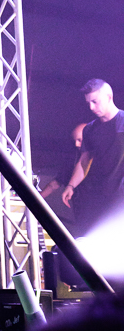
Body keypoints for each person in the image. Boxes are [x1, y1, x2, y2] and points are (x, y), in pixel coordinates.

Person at [62, 79, 124, 235]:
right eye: (88, 103)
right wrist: (71, 186)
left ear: (109, 97)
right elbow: (84, 160)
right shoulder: (90, 129)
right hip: (98, 196)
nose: (91, 107)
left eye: (95, 102)